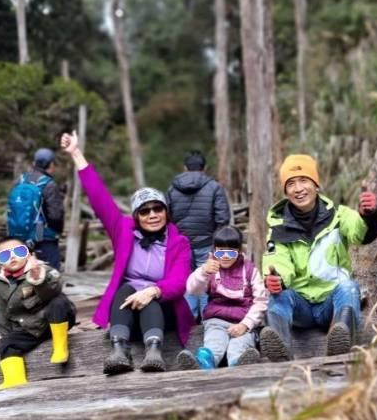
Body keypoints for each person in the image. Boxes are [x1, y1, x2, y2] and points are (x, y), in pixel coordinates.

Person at [60, 131, 193, 374]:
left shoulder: (179, 242)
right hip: (128, 306)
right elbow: (100, 199)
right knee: (127, 288)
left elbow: (179, 282)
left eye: (157, 209)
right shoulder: (123, 231)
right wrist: (77, 154)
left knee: (147, 296)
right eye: (144, 211)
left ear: (165, 212)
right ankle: (119, 350)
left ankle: (154, 351)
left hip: (164, 309)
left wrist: (153, 290)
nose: (152, 215)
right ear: (136, 216)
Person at [259, 154, 377, 361]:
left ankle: (340, 339)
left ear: (316, 184)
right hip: (301, 307)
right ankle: (279, 346)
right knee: (279, 296)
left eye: (304, 180)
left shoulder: (339, 215)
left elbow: (360, 234)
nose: (298, 189)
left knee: (349, 286)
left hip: (332, 303)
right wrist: (276, 279)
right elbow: (276, 260)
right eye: (291, 184)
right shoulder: (278, 228)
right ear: (285, 191)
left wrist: (368, 216)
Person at [0, 236, 76, 394]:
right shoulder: (0, 281)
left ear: (29, 254)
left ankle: (60, 347)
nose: (12, 257)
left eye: (18, 251)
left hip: (55, 320)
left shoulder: (45, 270)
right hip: (31, 327)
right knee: (7, 343)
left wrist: (37, 279)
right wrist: (3, 333)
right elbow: (2, 310)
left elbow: (54, 290)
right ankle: (15, 380)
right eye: (4, 255)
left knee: (59, 302)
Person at [176, 226, 268, 370]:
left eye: (230, 253)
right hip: (216, 320)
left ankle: (239, 363)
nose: (225, 256)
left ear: (238, 252)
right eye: (221, 252)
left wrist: (245, 325)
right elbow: (193, 290)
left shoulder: (250, 270)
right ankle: (204, 363)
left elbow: (260, 301)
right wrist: (203, 272)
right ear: (214, 251)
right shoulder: (210, 269)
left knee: (238, 346)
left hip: (243, 322)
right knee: (214, 343)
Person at [166, 150, 232, 321]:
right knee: (206, 282)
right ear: (205, 168)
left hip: (182, 245)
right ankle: (207, 322)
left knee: (187, 283)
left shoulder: (172, 189)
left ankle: (188, 323)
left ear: (185, 168)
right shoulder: (214, 187)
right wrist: (216, 244)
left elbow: (167, 219)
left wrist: (176, 240)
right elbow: (223, 218)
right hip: (207, 242)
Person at [12, 148, 65, 269]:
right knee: (50, 279)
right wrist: (58, 231)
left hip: (20, 240)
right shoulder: (49, 184)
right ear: (50, 164)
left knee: (23, 277)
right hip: (45, 241)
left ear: (34, 163)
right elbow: (55, 216)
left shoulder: (19, 181)